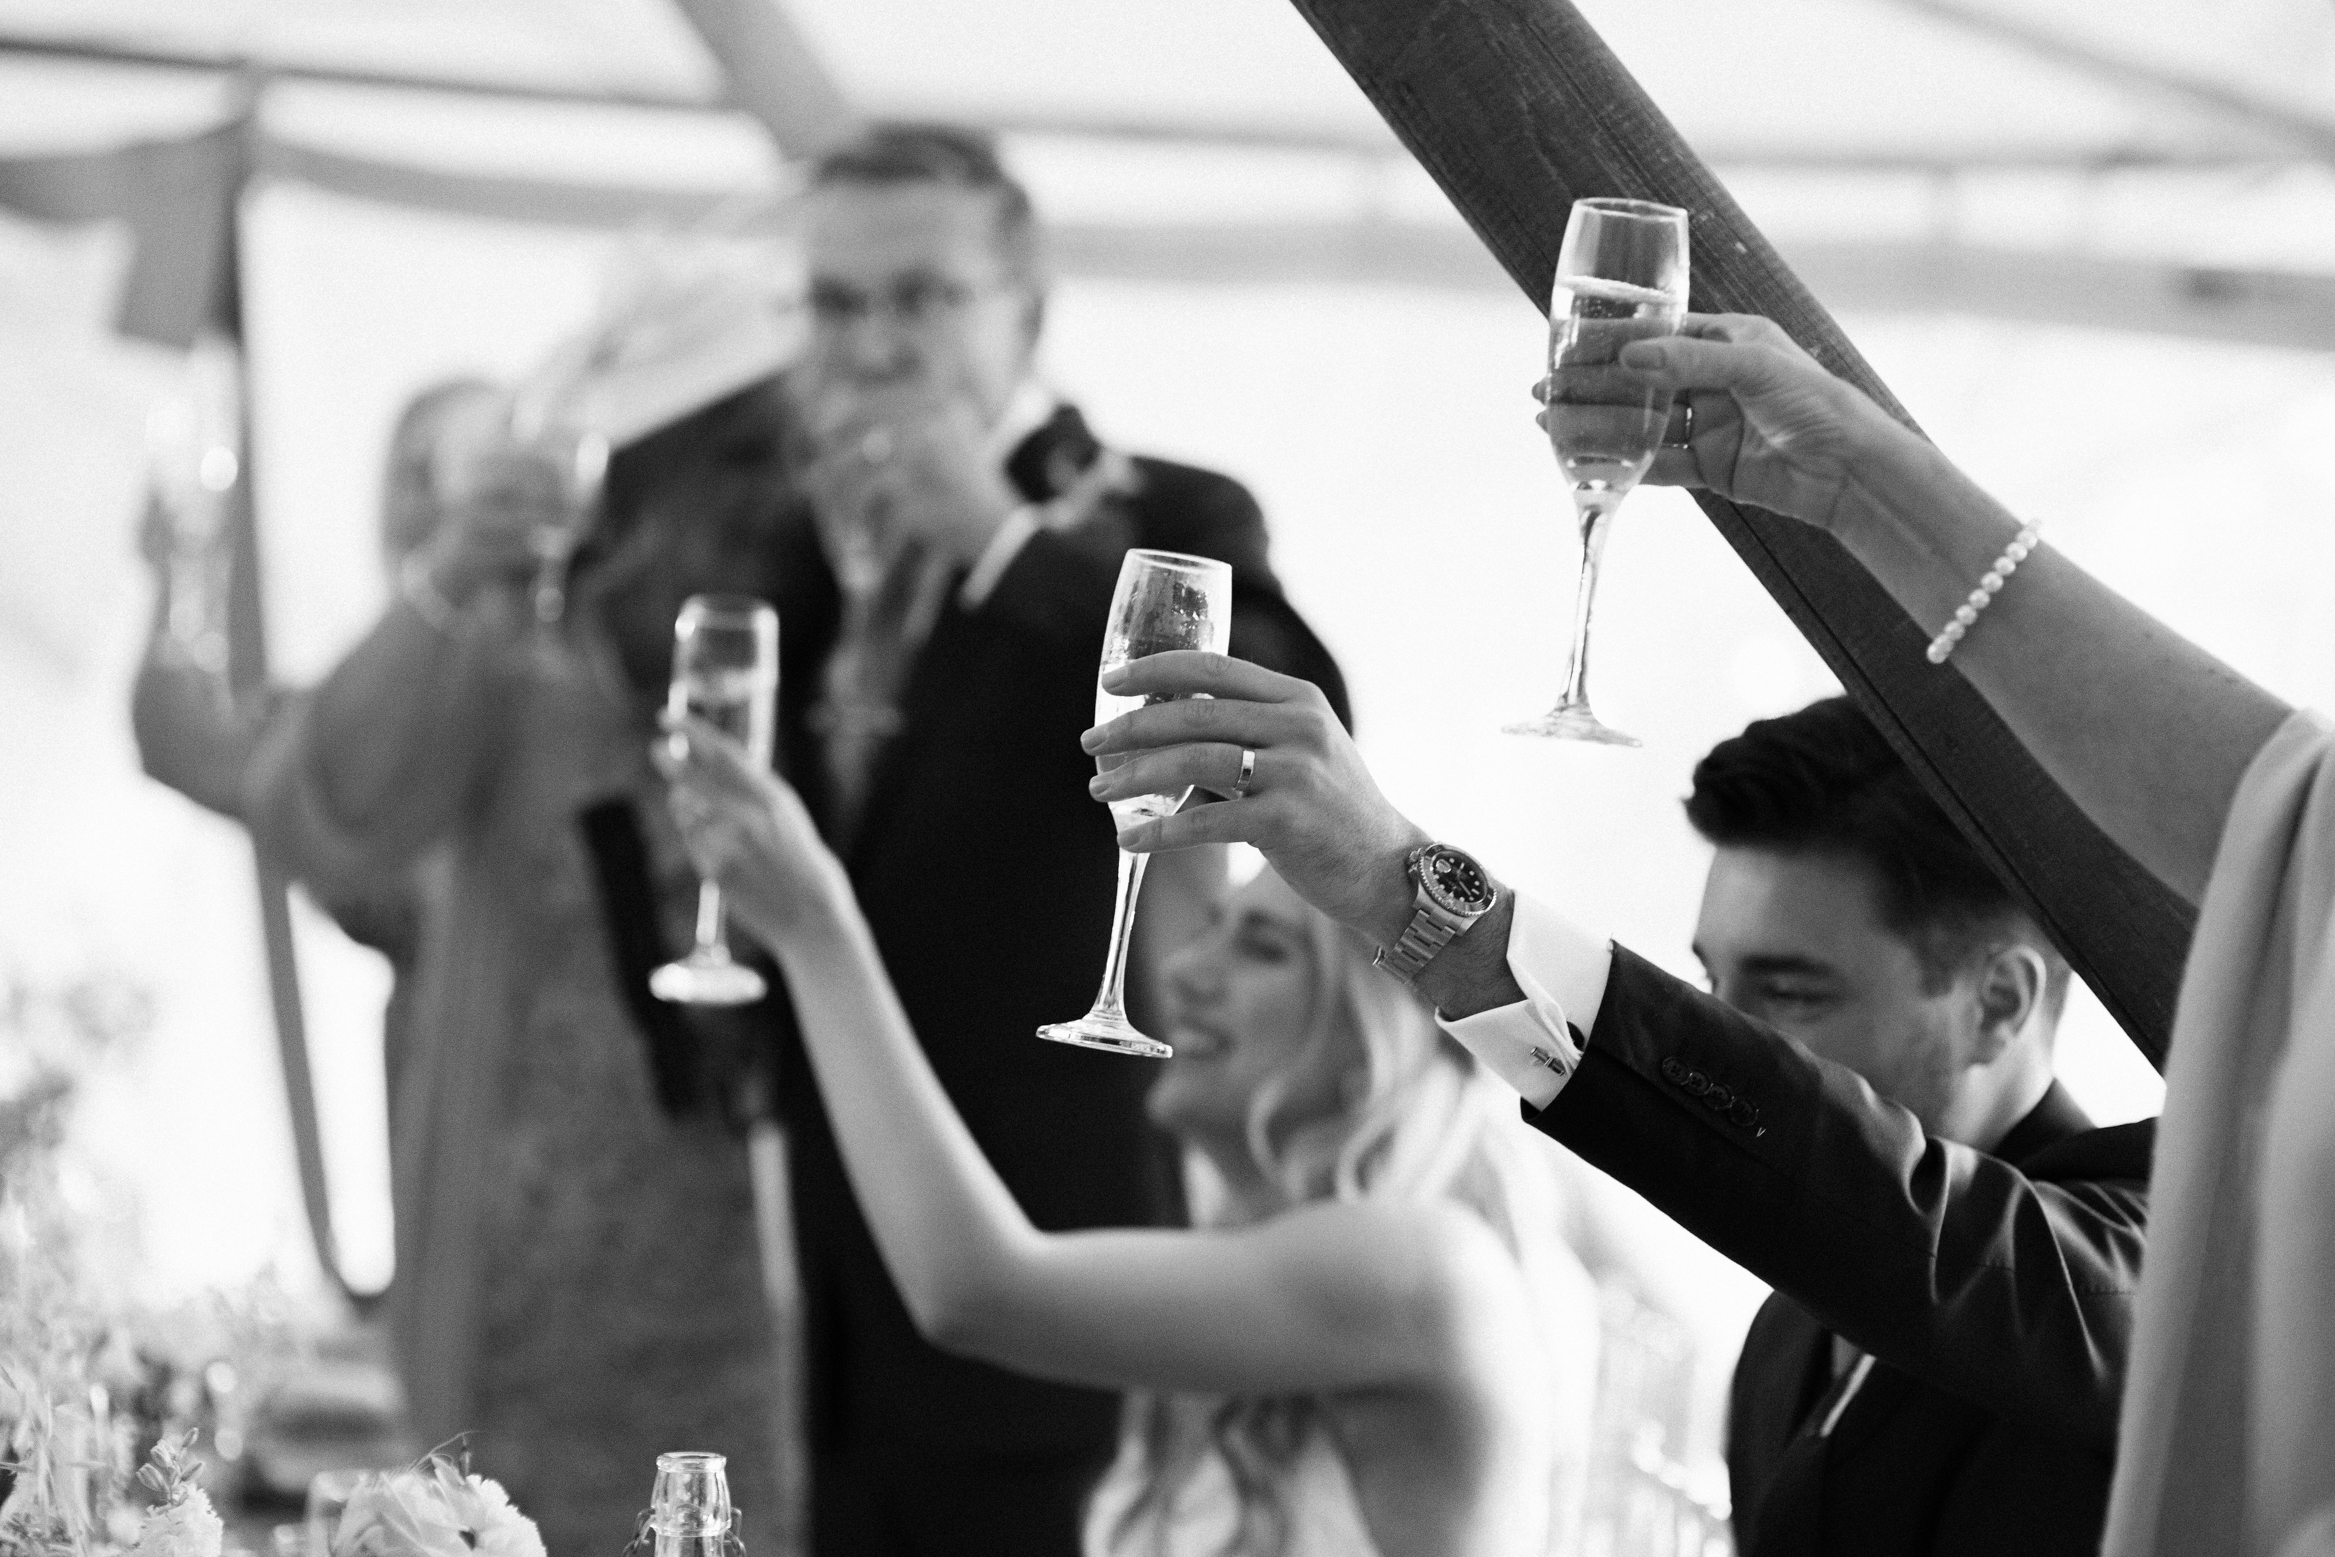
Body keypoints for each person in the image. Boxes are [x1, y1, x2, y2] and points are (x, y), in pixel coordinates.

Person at [752, 122, 1349, 1557]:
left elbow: (1288, 722)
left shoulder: (1169, 514)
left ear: (1026, 304)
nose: (874, 344)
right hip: (844, 1293)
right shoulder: (798, 552)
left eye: (920, 297)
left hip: (1065, 1249)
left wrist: (1005, 543)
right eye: (836, 305)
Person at [656, 713, 1597, 1557]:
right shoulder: (1257, 1256)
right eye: (1215, 928)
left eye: (1262, 950)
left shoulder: (1415, 1263)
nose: (1187, 972)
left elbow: (976, 1291)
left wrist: (818, 929)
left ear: (1377, 1049)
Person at [242, 373, 807, 1557]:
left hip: (744, 1316)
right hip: (508, 1313)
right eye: (739, 478)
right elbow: (314, 810)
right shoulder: (506, 667)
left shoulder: (797, 656)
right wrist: (447, 579)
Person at [132, 375, 499, 1127]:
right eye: (409, 468)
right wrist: (180, 575)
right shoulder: (343, 724)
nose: (420, 496)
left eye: (459, 463)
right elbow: (184, 742)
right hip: (445, 1110)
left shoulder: (576, 679)